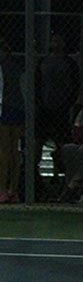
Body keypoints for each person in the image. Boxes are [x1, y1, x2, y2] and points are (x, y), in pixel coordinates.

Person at [35, 32, 81, 178]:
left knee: (62, 143)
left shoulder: (69, 63)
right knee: (38, 142)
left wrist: (68, 104)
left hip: (62, 109)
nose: (56, 44)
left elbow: (75, 86)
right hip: (45, 109)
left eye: (59, 41)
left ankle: (64, 175)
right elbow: (37, 84)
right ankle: (34, 175)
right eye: (53, 41)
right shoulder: (43, 61)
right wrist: (39, 103)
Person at [0, 37, 25, 203]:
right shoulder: (17, 66)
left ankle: (5, 189)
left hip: (7, 108)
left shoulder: (9, 67)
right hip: (15, 109)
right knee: (11, 151)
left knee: (7, 151)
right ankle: (10, 190)